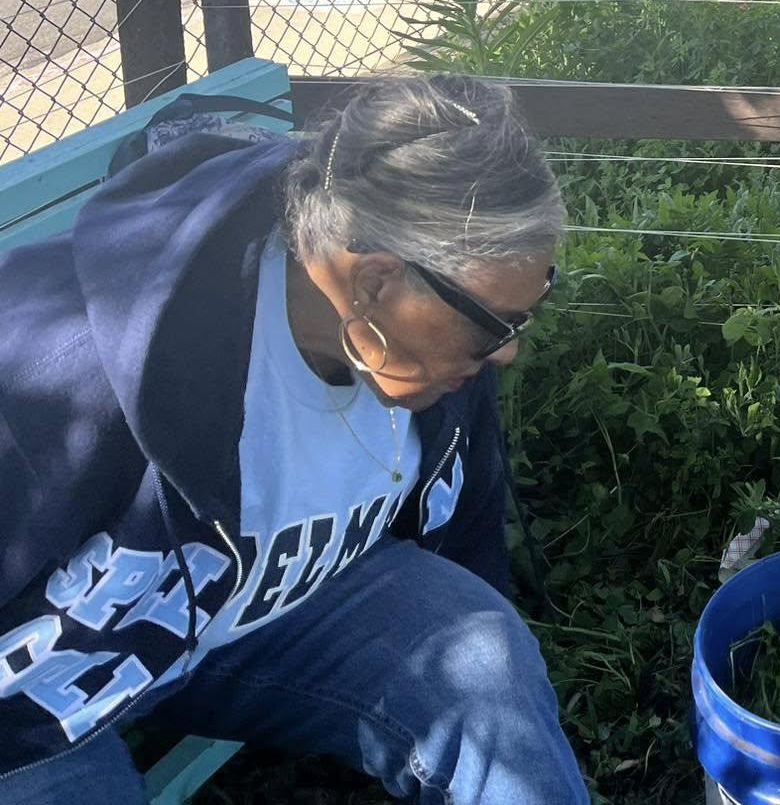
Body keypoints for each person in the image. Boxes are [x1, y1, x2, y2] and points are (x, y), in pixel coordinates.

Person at [0, 74, 588, 802]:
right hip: (34, 695)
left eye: (525, 315)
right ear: (375, 284)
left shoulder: (435, 351)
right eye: (496, 326)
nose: (507, 352)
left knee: (481, 660)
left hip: (251, 615)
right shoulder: (66, 371)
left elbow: (468, 547)